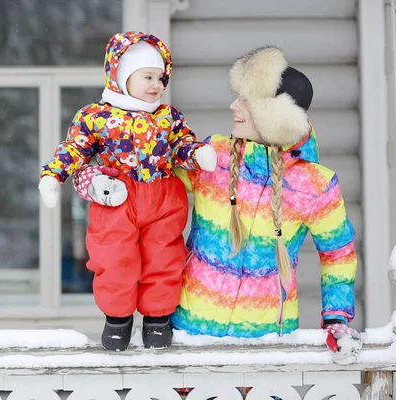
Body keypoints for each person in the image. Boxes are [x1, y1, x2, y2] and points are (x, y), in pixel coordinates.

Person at [170, 46, 362, 365]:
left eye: (246, 100)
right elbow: (155, 188)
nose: (234, 105)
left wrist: (336, 319)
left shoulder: (314, 183)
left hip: (268, 348)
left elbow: (338, 252)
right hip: (189, 338)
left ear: (275, 114)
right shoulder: (210, 156)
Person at [38, 31, 216, 351]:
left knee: (163, 257)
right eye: (147, 76)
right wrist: (53, 176)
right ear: (121, 75)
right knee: (114, 258)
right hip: (117, 197)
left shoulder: (168, 117)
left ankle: (157, 319)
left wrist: (196, 153)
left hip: (163, 195)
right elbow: (74, 149)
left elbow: (181, 145)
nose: (156, 85)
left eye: (161, 78)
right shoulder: (97, 116)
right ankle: (118, 320)